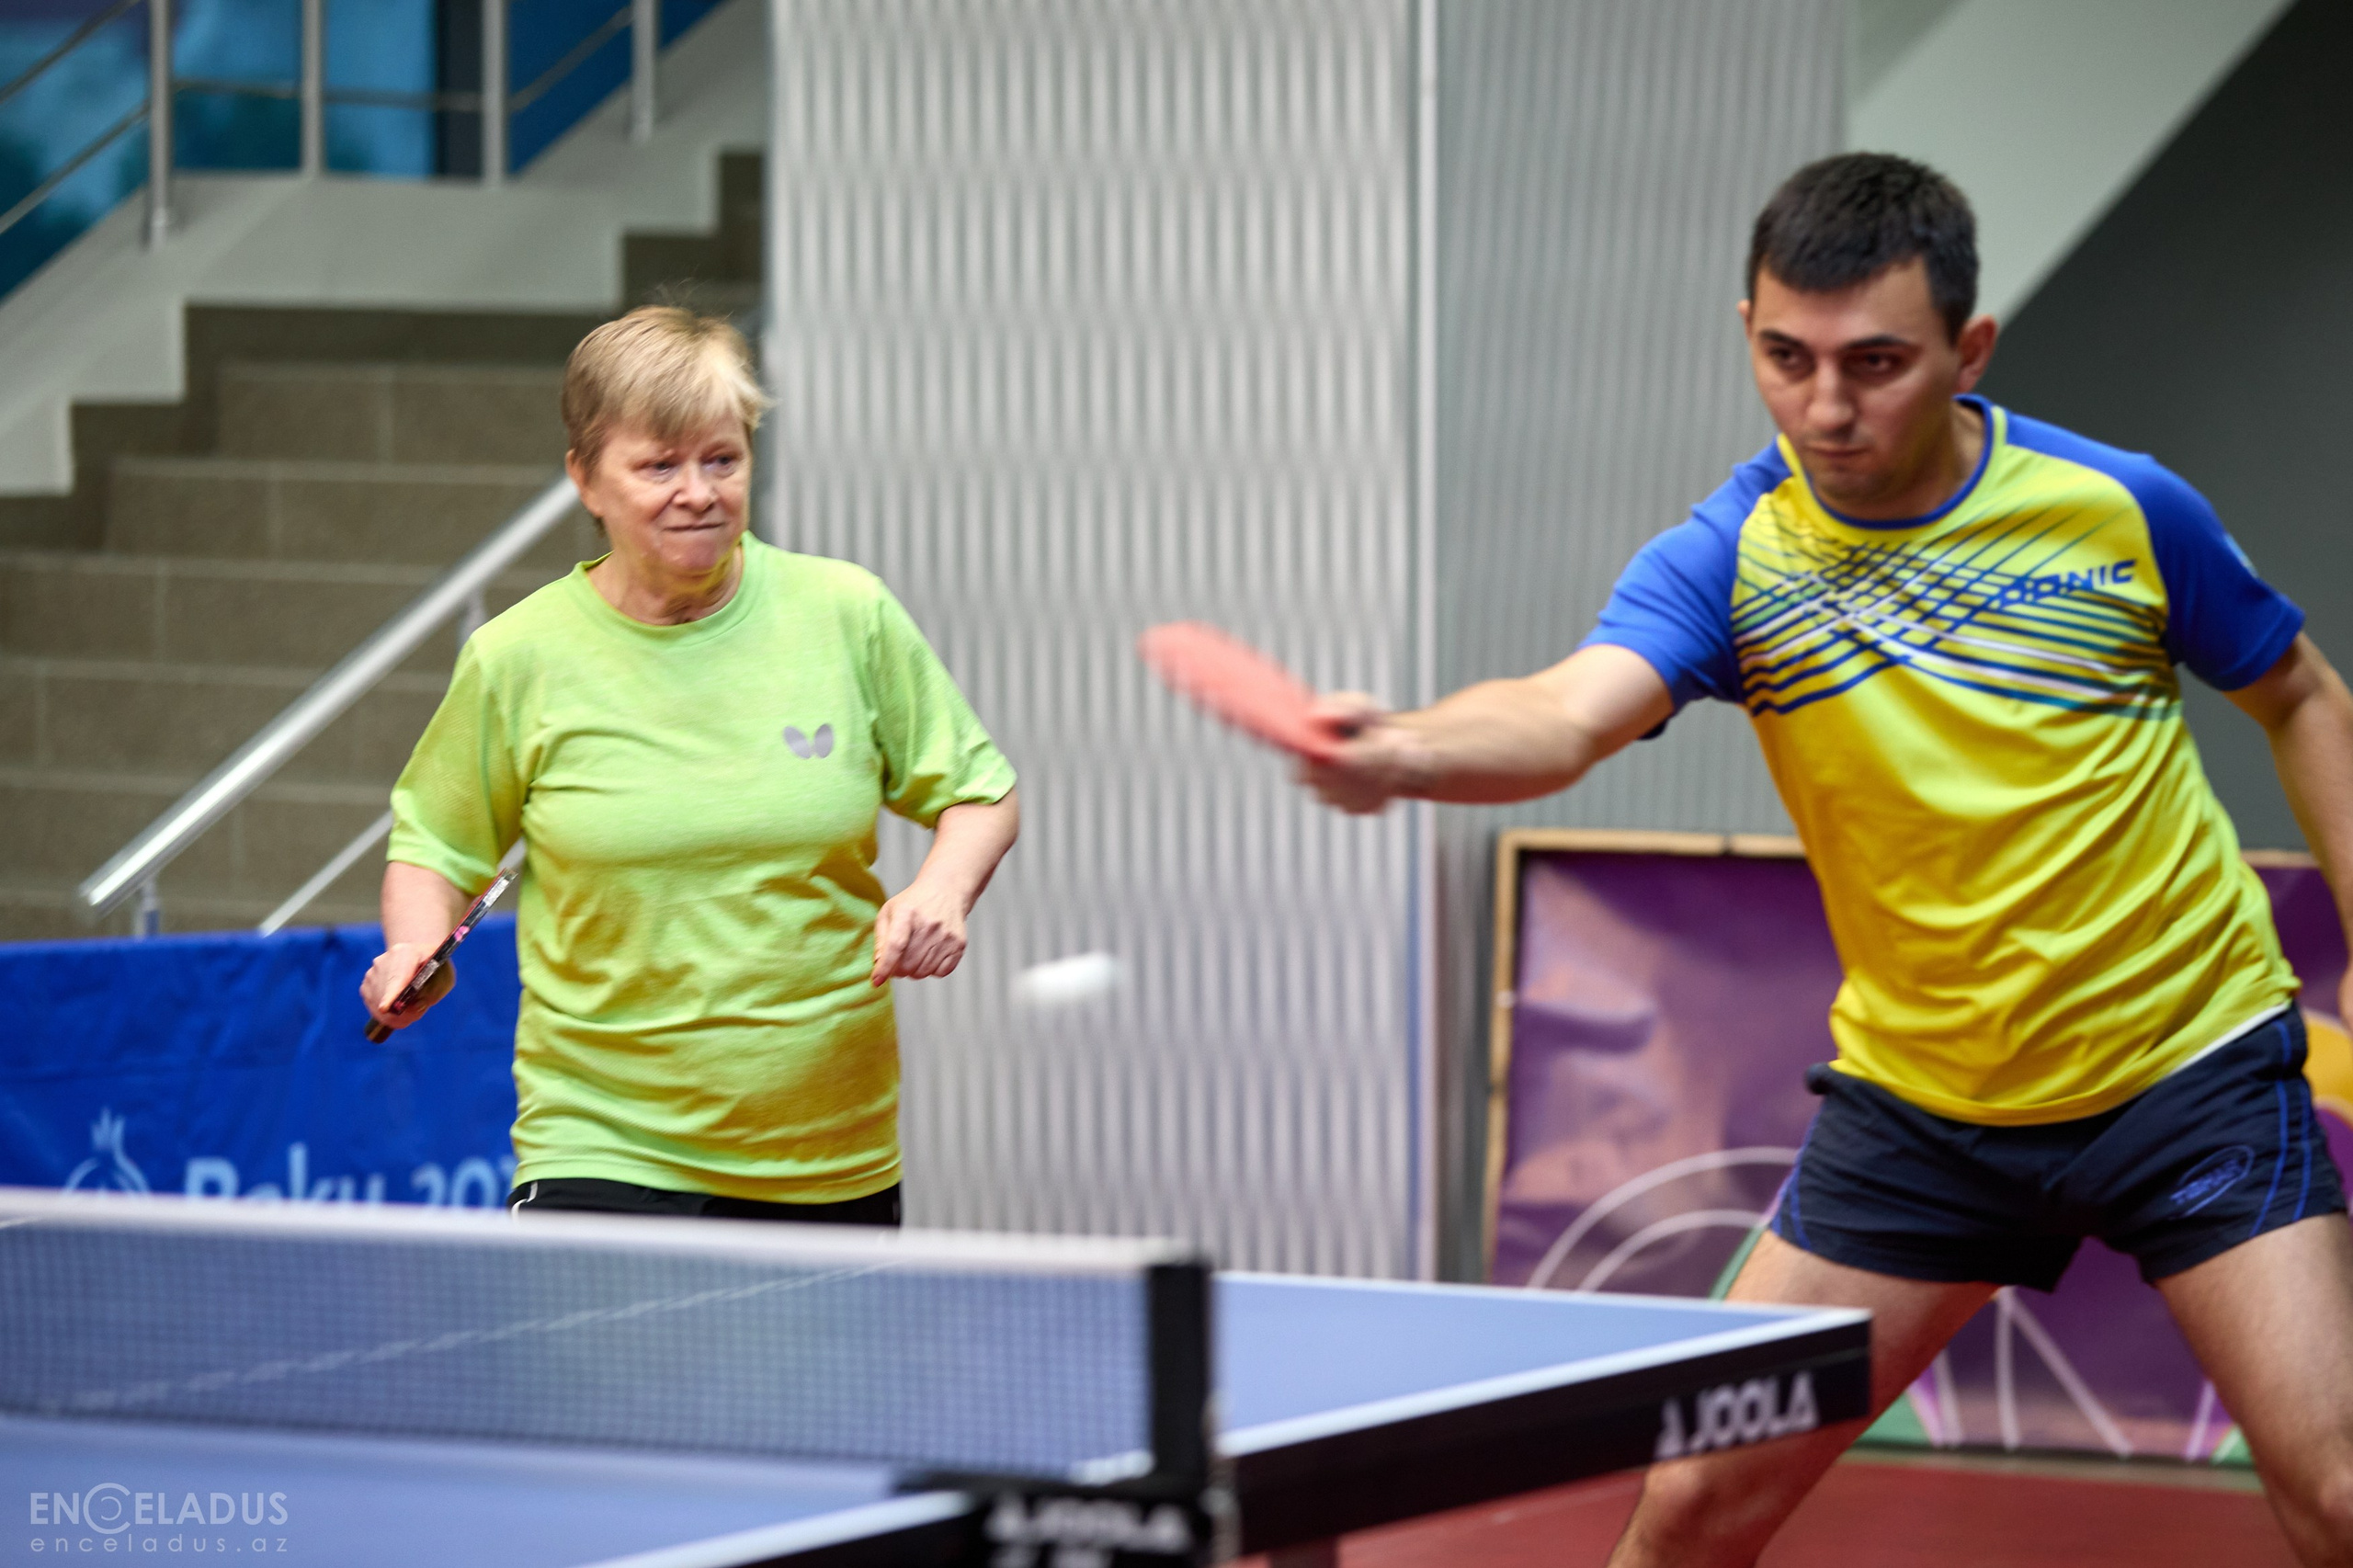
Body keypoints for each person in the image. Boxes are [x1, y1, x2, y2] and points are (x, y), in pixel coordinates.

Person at [1300, 153, 2353, 1564]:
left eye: (1876, 363)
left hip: (2188, 1066)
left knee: (2338, 1488)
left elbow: (2298, 692)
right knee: (1692, 1502)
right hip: (1924, 1106)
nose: (1828, 409)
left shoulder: (2122, 507)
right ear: (1749, 331)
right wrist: (1409, 748)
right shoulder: (1734, 553)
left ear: (1968, 349)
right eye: (1786, 359)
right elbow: (1565, 713)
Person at [361, 306, 1019, 1228]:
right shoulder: (518, 656)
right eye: (658, 464)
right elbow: (437, 840)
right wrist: (411, 946)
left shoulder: (845, 612)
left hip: (825, 1150)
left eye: (722, 458)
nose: (698, 491)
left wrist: (941, 893)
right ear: (586, 480)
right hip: (601, 1135)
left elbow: (981, 792)